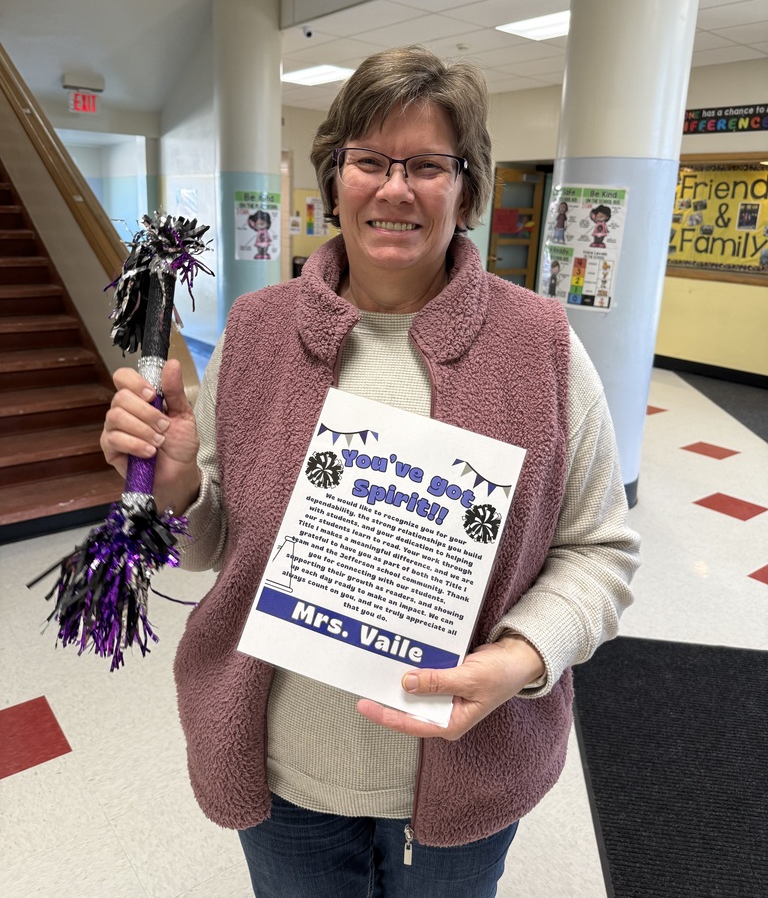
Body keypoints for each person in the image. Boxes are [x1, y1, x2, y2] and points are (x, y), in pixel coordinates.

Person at [101, 45, 640, 898]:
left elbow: (601, 551)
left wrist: (522, 657)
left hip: (471, 762)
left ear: (466, 189)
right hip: (286, 773)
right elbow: (212, 547)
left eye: (428, 165)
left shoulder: (539, 345)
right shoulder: (259, 330)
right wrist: (177, 491)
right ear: (334, 177)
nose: (395, 188)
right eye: (370, 161)